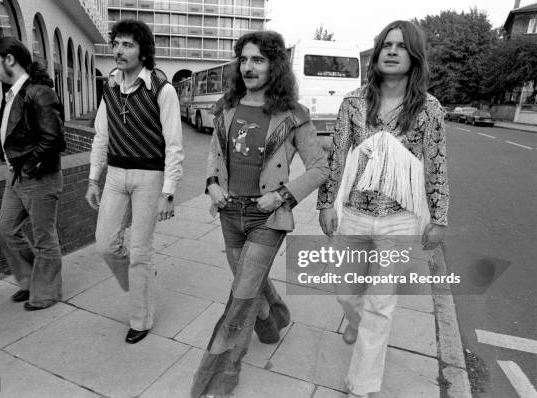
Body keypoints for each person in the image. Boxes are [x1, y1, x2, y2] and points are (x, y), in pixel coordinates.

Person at [191, 31, 328, 398]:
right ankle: (275, 321)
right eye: (244, 59)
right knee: (249, 286)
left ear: (274, 65)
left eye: (259, 60)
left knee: (240, 297)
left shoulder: (293, 115)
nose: (249, 67)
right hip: (228, 212)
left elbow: (320, 166)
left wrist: (284, 195)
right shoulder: (226, 106)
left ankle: (219, 376)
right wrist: (211, 184)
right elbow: (216, 155)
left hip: (266, 218)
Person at [317, 20, 449, 397]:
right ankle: (354, 320)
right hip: (354, 215)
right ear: (377, 54)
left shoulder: (429, 109)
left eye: (401, 46)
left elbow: (437, 164)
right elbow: (337, 156)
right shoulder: (353, 102)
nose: (392, 51)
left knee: (380, 305)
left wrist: (438, 217)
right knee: (344, 291)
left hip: (399, 221)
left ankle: (362, 384)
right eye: (386, 45)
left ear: (414, 56)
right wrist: (326, 203)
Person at [85, 19, 183, 345]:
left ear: (144, 52)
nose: (118, 50)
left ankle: (140, 318)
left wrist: (169, 191)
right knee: (105, 243)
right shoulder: (109, 87)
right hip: (115, 174)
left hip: (149, 177)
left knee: (140, 251)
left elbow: (174, 144)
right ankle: (139, 279)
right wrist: (93, 179)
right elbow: (101, 136)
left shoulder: (162, 89)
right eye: (116, 44)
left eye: (127, 44)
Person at [0, 37, 66, 311]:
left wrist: (30, 166)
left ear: (10, 59)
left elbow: (54, 139)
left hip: (38, 176)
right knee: (5, 231)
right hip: (17, 176)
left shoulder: (39, 92)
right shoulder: (12, 93)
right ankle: (33, 280)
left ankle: (47, 292)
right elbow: (5, 134)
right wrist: (9, 159)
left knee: (45, 238)